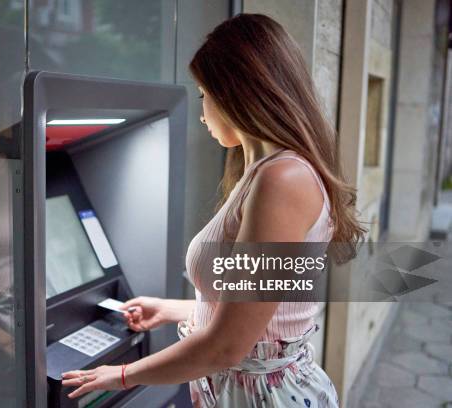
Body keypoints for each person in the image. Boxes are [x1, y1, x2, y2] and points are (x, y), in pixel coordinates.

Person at [62, 13, 365, 407]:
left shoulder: (282, 180)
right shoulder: (263, 174)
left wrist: (119, 376)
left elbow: (228, 346)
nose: (202, 112)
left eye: (205, 94)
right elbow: (252, 316)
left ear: (235, 93)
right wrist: (171, 309)